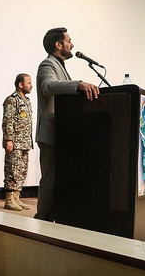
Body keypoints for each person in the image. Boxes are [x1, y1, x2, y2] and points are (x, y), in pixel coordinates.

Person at [34, 27, 99, 221]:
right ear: (58, 44)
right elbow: (47, 86)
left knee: (61, 178)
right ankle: (42, 219)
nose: (72, 44)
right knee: (50, 178)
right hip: (51, 132)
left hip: (63, 132)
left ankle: (57, 216)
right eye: (69, 41)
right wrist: (78, 84)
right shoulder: (48, 64)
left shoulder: (60, 65)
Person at [2, 73, 33, 211]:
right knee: (12, 170)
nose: (31, 85)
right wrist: (9, 139)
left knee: (22, 171)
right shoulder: (12, 100)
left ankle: (16, 198)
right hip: (14, 142)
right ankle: (9, 200)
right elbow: (7, 121)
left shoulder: (27, 101)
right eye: (28, 83)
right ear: (20, 84)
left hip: (24, 142)